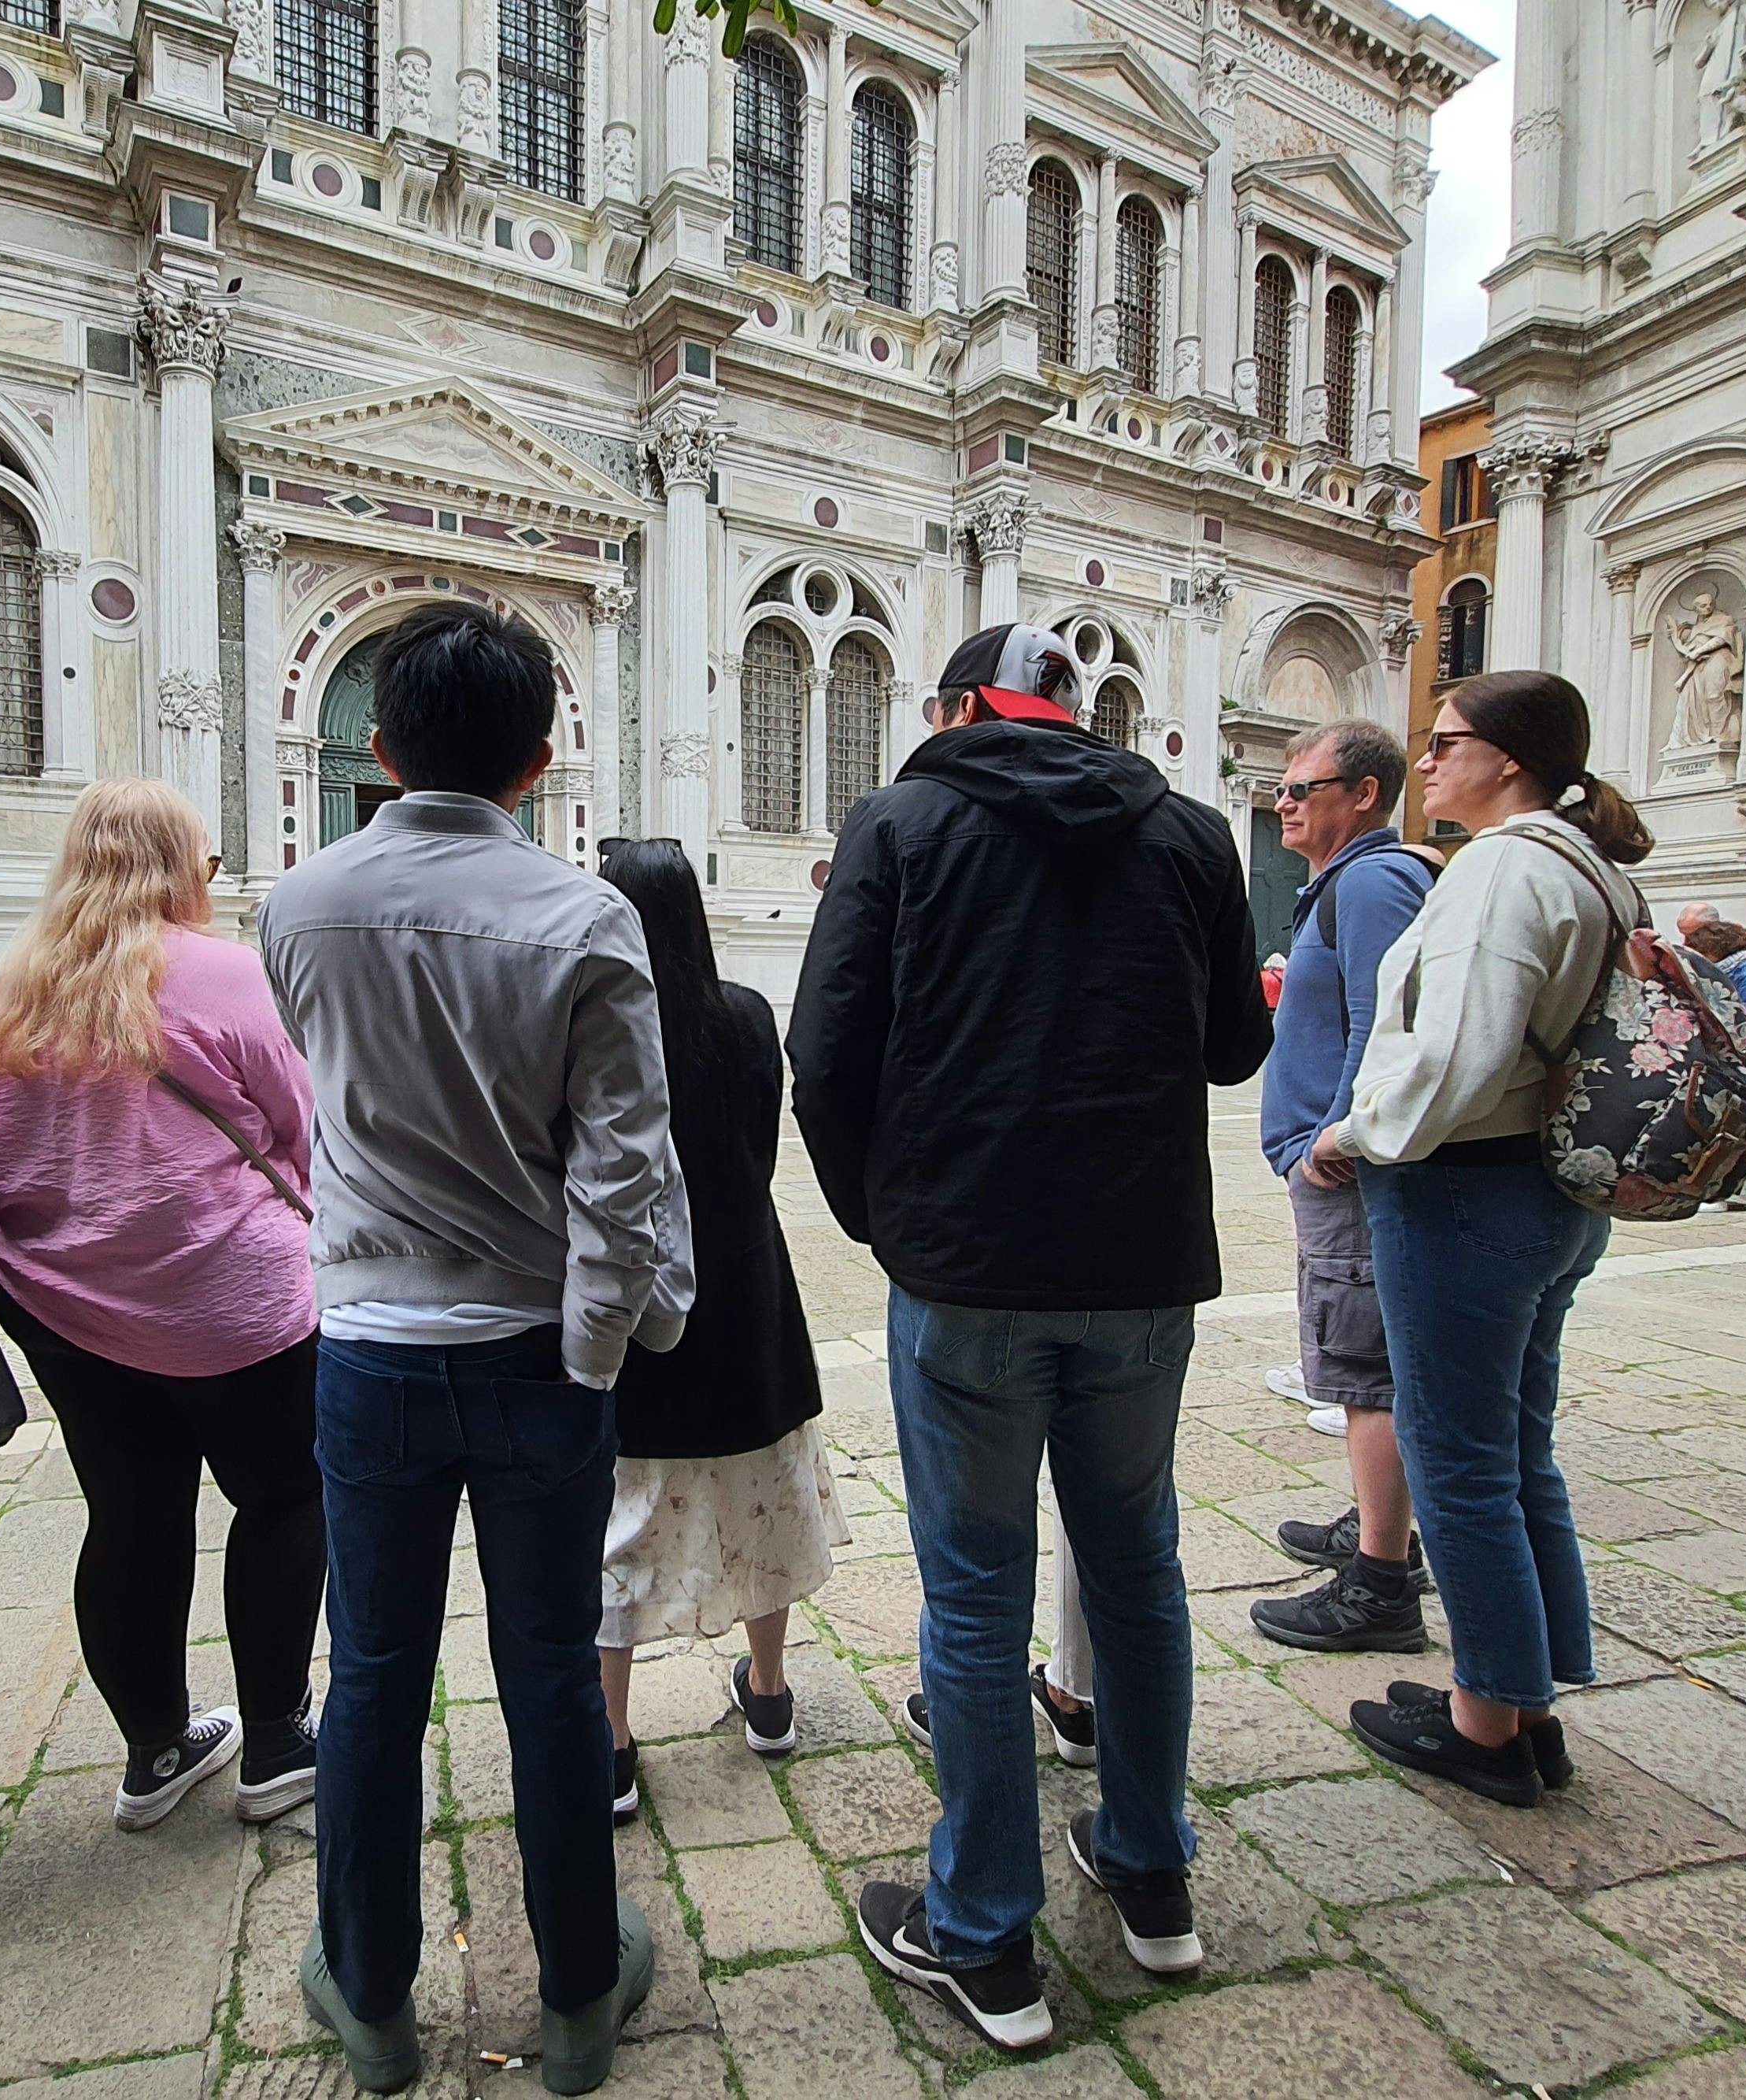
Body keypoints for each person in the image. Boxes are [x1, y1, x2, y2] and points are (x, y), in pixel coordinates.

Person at [792, 622, 1270, 2049]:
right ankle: (1150, 1868)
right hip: (1141, 1269)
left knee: (980, 1594)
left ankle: (986, 1939)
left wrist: (884, 1216)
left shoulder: (901, 822)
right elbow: (1233, 1050)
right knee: (1137, 1566)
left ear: (952, 710)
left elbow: (823, 1054)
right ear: (1084, 714)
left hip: (970, 1272)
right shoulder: (1188, 833)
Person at [256, 602, 690, 2098]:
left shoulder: (300, 901)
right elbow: (626, 1169)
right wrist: (586, 1350)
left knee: (369, 1675)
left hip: (367, 1348)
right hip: (531, 1352)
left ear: (378, 745)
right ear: (542, 755)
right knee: (552, 1673)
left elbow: (334, 1096)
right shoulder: (585, 916)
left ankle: (370, 1996)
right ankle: (577, 1994)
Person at [1308, 670, 1652, 1809]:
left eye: (1446, 740)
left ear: (1507, 757)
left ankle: (1489, 1724)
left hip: (1462, 1190)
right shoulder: (1588, 865)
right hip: (1547, 1194)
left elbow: (1455, 1049)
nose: (1431, 759)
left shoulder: (1504, 865)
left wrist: (1351, 1135)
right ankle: (1522, 1700)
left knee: (1457, 1458)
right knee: (1515, 1453)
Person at [0, 780, 324, 1834]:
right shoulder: (223, 972)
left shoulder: (28, 980)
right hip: (229, 1300)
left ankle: (157, 1749)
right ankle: (275, 1742)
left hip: (69, 1306)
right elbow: (298, 1123)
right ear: (184, 869)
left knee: (129, 1516)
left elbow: (4, 1146)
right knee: (280, 1499)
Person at [591, 839, 849, 1817]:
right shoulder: (744, 1018)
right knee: (762, 1496)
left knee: (622, 1521)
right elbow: (762, 1150)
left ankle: (611, 1744)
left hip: (638, 1302)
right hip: (746, 1290)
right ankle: (771, 1698)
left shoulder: (591, 1027)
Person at [1249, 721, 1435, 1658]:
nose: (1283, 802)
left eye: (1300, 788)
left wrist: (1337, 1134)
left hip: (1348, 1167)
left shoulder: (1373, 882)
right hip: (1328, 1157)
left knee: (1364, 1371)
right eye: (1280, 790)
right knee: (1357, 1361)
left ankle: (1380, 1580)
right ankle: (1380, 1524)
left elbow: (1386, 1019)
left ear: (1362, 794)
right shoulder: (1344, 883)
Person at [1678, 914, 1746, 1215]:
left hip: (1740, 1053)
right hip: (1719, 1050)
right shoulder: (1726, 968)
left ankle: (1732, 1190)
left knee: (1738, 1117)